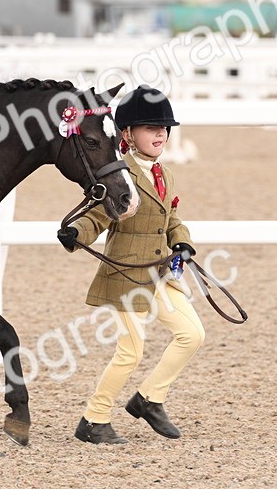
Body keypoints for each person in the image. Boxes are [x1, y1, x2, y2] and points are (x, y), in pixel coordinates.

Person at [57, 85, 204, 445]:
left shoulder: (164, 174)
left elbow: (171, 217)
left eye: (164, 128)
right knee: (131, 350)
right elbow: (98, 216)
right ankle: (94, 419)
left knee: (192, 335)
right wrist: (77, 231)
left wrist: (182, 241)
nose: (161, 134)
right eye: (151, 127)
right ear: (127, 134)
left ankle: (149, 399)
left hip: (160, 274)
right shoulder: (119, 176)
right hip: (126, 274)